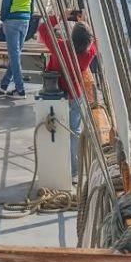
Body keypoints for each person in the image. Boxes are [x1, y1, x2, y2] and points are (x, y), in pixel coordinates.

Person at [37, 13, 97, 179]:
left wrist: (62, 15)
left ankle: (53, 167)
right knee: (74, 132)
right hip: (74, 96)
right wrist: (86, 22)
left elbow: (42, 29)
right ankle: (74, 171)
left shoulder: (60, 47)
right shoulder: (89, 54)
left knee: (52, 129)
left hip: (55, 95)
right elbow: (95, 41)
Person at [0, 0, 34, 97]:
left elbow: (6, 1)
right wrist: (29, 16)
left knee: (14, 55)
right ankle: (4, 84)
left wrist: (3, 18)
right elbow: (32, 2)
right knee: (16, 54)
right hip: (26, 20)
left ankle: (20, 89)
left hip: (12, 20)